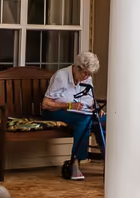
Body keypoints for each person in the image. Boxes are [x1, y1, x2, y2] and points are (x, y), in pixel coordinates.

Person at [42, 49, 100, 180]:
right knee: (84, 121)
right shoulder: (61, 76)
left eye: (89, 74)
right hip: (56, 112)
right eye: (84, 73)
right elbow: (45, 104)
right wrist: (68, 105)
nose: (86, 77)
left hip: (81, 113)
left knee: (106, 120)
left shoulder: (87, 79)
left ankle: (110, 159)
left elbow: (90, 100)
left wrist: (96, 108)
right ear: (77, 68)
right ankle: (75, 162)